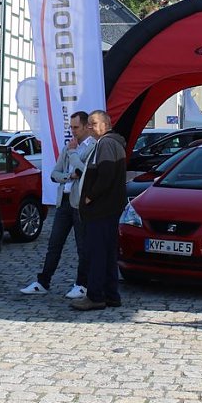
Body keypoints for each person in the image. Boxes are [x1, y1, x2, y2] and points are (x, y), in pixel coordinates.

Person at [20, 111, 96, 298]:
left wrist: (72, 157)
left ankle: (82, 283)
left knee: (82, 246)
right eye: (71, 127)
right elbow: (55, 173)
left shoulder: (93, 147)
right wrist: (68, 176)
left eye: (76, 127)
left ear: (87, 126)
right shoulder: (68, 147)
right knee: (54, 244)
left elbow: (83, 170)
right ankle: (43, 281)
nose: (72, 131)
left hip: (79, 203)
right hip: (63, 201)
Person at [71, 110, 127, 311]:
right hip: (106, 209)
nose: (90, 127)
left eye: (94, 124)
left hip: (101, 210)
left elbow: (106, 175)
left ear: (106, 124)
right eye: (90, 124)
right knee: (107, 253)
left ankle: (95, 296)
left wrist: (89, 196)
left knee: (97, 254)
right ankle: (111, 295)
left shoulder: (106, 144)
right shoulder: (109, 144)